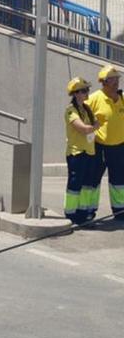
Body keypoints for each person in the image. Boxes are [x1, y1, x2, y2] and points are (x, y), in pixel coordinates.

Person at [65, 77, 102, 225]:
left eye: (87, 90)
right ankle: (70, 213)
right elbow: (82, 128)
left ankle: (83, 212)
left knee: (87, 184)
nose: (87, 93)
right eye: (83, 90)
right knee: (75, 184)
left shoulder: (86, 109)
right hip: (77, 153)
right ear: (75, 94)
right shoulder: (70, 110)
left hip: (89, 151)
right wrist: (95, 127)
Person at [92, 65, 124, 222]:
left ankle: (120, 211)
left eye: (117, 79)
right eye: (112, 79)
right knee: (94, 179)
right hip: (100, 147)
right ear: (104, 82)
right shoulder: (94, 99)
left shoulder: (122, 97)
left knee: (119, 180)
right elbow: (79, 114)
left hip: (120, 147)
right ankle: (89, 212)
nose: (116, 82)